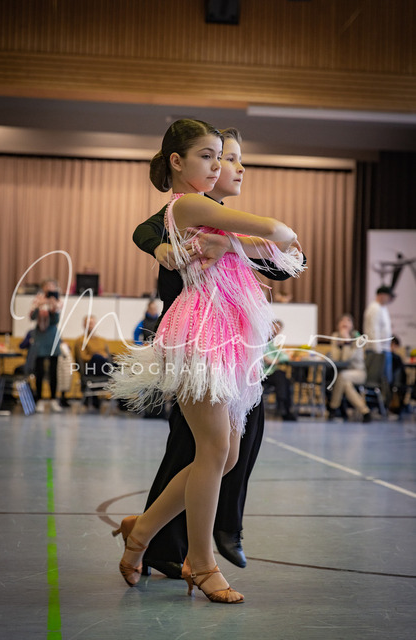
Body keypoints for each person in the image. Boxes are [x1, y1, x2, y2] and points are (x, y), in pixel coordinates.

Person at [110, 119, 304, 604]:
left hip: (229, 337)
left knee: (226, 455)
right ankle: (201, 563)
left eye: (223, 157)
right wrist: (250, 239)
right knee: (215, 450)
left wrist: (235, 244)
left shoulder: (212, 212)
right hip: (200, 333)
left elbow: (286, 253)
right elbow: (279, 232)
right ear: (177, 162)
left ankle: (141, 531)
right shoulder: (189, 205)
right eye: (209, 156)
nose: (219, 166)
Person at [327, 313, 371, 422]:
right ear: (338, 325)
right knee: (345, 382)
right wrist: (340, 343)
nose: (345, 323)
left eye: (348, 321)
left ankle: (333, 407)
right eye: (342, 320)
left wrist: (346, 342)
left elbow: (346, 359)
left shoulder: (358, 339)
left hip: (358, 372)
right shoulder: (335, 336)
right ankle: (365, 411)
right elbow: (336, 358)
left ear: (352, 325)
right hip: (343, 374)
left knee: (342, 376)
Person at [30, 279, 62, 413]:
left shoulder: (58, 301)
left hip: (52, 337)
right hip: (40, 337)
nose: (50, 288)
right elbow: (32, 317)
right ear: (43, 288)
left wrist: (52, 305)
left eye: (52, 286)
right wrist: (39, 305)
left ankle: (53, 399)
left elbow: (56, 320)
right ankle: (39, 400)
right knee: (39, 371)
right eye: (47, 286)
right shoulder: (38, 300)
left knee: (53, 371)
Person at [74, 315, 111, 410]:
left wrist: (102, 356)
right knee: (97, 357)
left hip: (104, 366)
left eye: (92, 323)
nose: (90, 325)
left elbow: (108, 355)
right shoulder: (80, 340)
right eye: (88, 323)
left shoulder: (102, 340)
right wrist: (98, 355)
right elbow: (82, 357)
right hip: (90, 368)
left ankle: (123, 403)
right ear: (84, 325)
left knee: (118, 364)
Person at [263, 320, 297, 421]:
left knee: (285, 379)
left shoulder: (271, 343)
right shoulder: (261, 340)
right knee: (280, 377)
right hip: (261, 374)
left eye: (278, 329)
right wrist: (271, 360)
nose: (276, 331)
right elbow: (264, 358)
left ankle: (284, 408)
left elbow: (284, 357)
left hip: (270, 372)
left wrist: (275, 360)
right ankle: (283, 408)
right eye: (275, 327)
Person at [363, 285, 395, 384]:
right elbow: (373, 330)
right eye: (389, 296)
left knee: (385, 380)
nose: (390, 299)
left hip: (383, 349)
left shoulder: (382, 308)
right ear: (382, 295)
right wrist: (378, 351)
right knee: (375, 380)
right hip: (377, 350)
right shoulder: (375, 308)